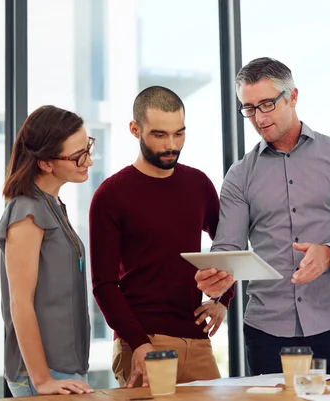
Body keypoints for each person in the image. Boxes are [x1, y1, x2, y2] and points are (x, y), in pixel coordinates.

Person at [194, 57, 330, 379]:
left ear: (292, 97)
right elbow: (228, 245)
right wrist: (216, 273)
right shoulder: (239, 175)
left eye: (267, 104)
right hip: (266, 333)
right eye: (249, 108)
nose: (259, 118)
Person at [89, 86, 229, 388]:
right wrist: (138, 343)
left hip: (198, 341)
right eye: (160, 135)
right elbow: (103, 284)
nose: (171, 145)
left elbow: (228, 246)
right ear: (135, 129)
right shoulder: (111, 195)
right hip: (143, 341)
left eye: (179, 134)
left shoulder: (198, 184)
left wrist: (223, 299)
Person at [0, 105, 95, 396]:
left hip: (64, 368)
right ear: (46, 163)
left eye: (87, 147)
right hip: (42, 374)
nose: (88, 160)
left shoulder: (51, 205)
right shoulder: (27, 210)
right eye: (78, 156)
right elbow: (20, 303)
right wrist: (42, 380)